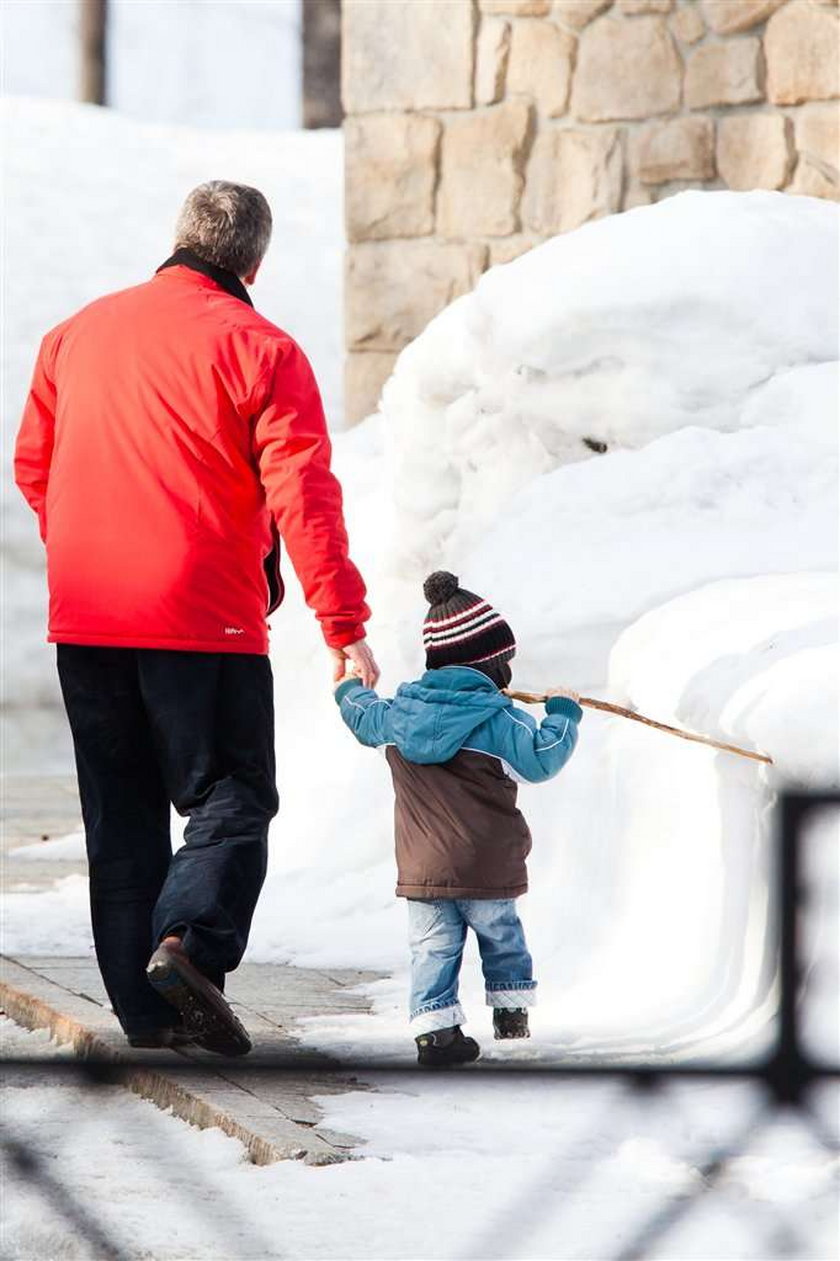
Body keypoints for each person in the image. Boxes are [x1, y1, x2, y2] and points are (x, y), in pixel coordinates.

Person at [15, 181, 378, 1056]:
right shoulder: (260, 346)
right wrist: (343, 620)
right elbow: (303, 493)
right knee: (231, 794)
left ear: (179, 239)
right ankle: (188, 946)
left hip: (89, 618)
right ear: (254, 261)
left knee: (121, 812)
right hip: (201, 621)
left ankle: (148, 1016)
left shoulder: (74, 334)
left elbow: (35, 467)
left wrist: (94, 553)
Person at [334, 571, 581, 1066]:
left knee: (432, 950)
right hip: (489, 865)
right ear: (490, 662)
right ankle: (511, 1016)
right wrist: (563, 713)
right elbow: (543, 759)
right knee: (502, 936)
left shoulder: (399, 715)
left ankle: (436, 1035)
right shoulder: (500, 719)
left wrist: (348, 690)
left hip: (424, 869)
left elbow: (363, 716)